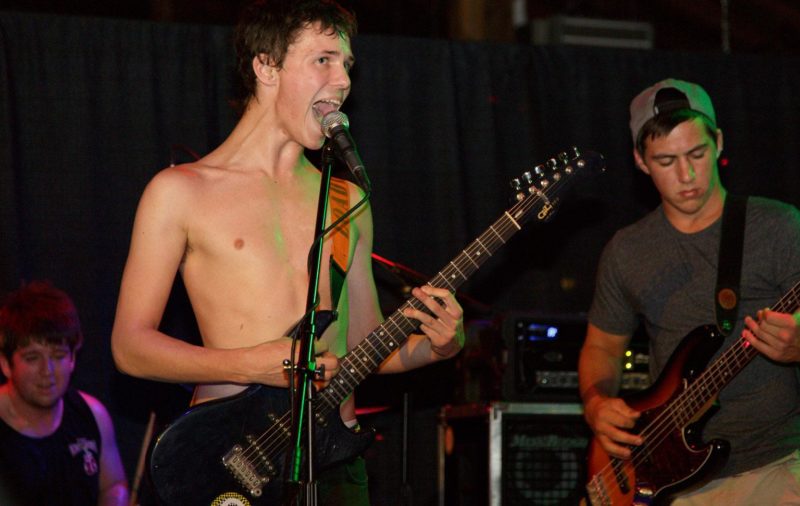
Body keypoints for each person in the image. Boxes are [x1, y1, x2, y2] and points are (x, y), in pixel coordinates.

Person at [110, 0, 464, 504]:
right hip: (233, 461)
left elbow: (364, 346)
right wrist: (251, 364)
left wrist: (436, 348)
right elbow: (130, 348)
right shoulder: (180, 191)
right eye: (324, 59)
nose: (342, 80)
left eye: (347, 65)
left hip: (338, 465)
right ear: (266, 66)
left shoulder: (348, 199)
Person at [578, 78, 800, 504]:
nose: (686, 175)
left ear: (719, 143)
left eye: (697, 154)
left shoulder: (781, 227)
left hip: (776, 464)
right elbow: (602, 349)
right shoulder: (626, 251)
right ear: (640, 161)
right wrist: (596, 405)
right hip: (671, 479)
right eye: (666, 161)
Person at [0, 280, 129, 506]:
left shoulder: (92, 413)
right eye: (32, 358)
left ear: (72, 359)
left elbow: (113, 485)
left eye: (58, 356)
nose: (47, 371)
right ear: (5, 364)